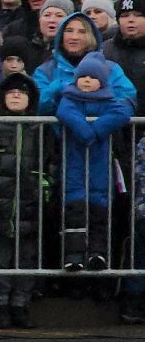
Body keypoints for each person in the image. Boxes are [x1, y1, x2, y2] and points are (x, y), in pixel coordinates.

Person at [55, 52, 128, 272]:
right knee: (75, 209)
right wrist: (87, 133)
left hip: (100, 165)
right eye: (83, 76)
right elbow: (65, 113)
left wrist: (96, 130)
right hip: (75, 163)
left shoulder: (110, 100)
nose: (87, 80)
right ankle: (74, 255)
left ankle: (98, 254)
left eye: (92, 77)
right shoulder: (69, 98)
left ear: (102, 82)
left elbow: (123, 112)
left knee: (99, 209)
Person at [0, 73, 45, 327]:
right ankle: (0, 303)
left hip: (30, 202)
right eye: (11, 92)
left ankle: (20, 303)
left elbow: (51, 164)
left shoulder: (40, 128)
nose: (15, 95)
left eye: (21, 92)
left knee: (27, 255)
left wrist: (45, 191)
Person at [37, 11, 136, 114]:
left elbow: (127, 100)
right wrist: (57, 88)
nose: (74, 37)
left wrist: (99, 106)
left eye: (82, 32)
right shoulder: (45, 71)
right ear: (61, 35)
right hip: (58, 130)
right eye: (69, 31)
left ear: (92, 37)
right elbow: (37, 104)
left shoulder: (110, 69)